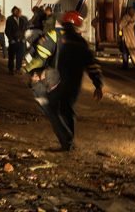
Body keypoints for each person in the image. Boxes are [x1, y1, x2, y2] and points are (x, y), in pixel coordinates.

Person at [24, 11, 104, 151]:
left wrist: (31, 71)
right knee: (67, 110)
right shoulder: (81, 42)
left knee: (50, 108)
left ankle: (66, 140)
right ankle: (69, 142)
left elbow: (40, 57)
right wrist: (97, 84)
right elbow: (91, 65)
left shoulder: (54, 36)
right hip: (74, 83)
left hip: (57, 80)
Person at [5, 6, 29, 74]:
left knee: (20, 56)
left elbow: (23, 30)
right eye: (15, 11)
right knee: (11, 56)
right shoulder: (9, 19)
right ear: (12, 12)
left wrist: (23, 38)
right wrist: (11, 39)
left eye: (17, 11)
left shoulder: (21, 20)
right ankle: (10, 70)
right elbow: (7, 31)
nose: (17, 12)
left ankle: (18, 69)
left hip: (21, 41)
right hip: (13, 41)